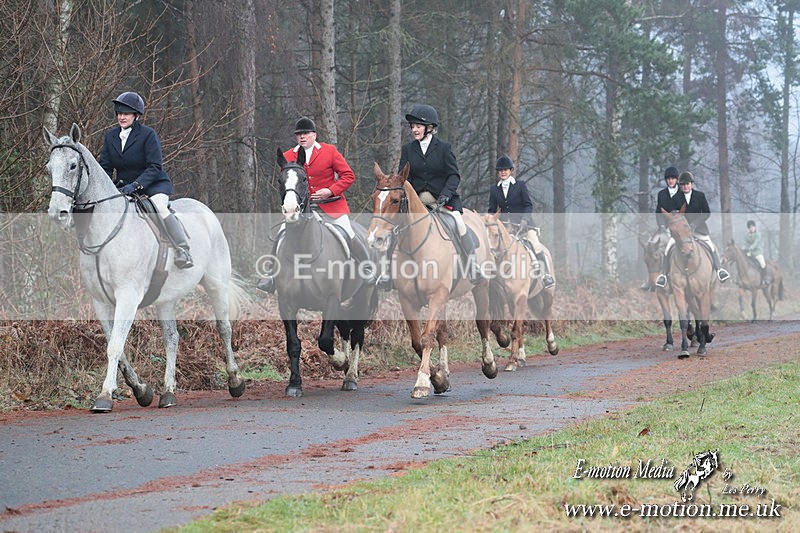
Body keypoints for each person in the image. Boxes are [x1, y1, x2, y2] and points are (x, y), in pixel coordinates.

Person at [256, 117, 374, 293]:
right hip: (301, 210)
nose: (302, 137)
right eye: (299, 134)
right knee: (281, 235)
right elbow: (287, 183)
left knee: (348, 232)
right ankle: (271, 276)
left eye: (306, 133)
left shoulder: (329, 151)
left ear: (314, 135)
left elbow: (348, 175)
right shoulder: (288, 156)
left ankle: (367, 269)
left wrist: (330, 190)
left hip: (331, 207)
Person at [98, 91, 193, 268]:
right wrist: (106, 189)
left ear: (136, 115)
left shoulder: (148, 135)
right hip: (124, 188)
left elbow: (155, 166)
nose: (121, 117)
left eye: (126, 113)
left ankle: (182, 249)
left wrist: (136, 185)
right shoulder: (110, 136)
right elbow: (105, 167)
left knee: (160, 208)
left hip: (153, 186)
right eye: (119, 113)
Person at [396, 103, 482, 284]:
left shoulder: (444, 148)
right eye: (412, 126)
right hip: (416, 202)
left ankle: (471, 265)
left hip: (441, 200)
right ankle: (387, 272)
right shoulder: (408, 149)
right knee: (395, 226)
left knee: (459, 223)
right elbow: (403, 177)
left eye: (418, 126)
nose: (414, 129)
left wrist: (445, 195)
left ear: (429, 127)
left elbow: (453, 175)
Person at [487, 155, 554, 288]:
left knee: (535, 244)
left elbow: (528, 205)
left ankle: (545, 275)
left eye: (505, 169)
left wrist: (524, 219)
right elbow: (492, 210)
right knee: (493, 247)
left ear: (511, 170)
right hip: (505, 228)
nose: (503, 172)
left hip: (524, 225)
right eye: (500, 170)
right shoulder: (494, 189)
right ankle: (491, 278)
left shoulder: (520, 185)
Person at [654, 171, 730, 287]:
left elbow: (706, 213)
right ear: (680, 185)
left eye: (687, 184)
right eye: (683, 184)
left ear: (692, 184)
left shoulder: (700, 196)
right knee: (668, 248)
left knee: (711, 246)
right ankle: (663, 275)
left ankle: (720, 270)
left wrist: (694, 224)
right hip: (681, 232)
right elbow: (672, 213)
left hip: (698, 230)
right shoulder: (675, 198)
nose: (685, 186)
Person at [641, 166, 681, 291]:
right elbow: (659, 213)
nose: (670, 181)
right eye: (668, 179)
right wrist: (662, 226)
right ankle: (654, 278)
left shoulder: (683, 193)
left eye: (673, 178)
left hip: (681, 227)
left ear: (676, 179)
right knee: (653, 246)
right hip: (667, 228)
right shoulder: (662, 194)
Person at [741, 220, 770, 287]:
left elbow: (756, 243)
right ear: (748, 228)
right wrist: (743, 249)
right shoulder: (746, 236)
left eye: (753, 226)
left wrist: (750, 248)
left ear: (755, 227)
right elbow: (745, 244)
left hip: (757, 253)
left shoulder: (758, 234)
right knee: (742, 262)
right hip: (750, 253)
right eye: (750, 227)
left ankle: (765, 279)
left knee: (762, 264)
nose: (752, 228)